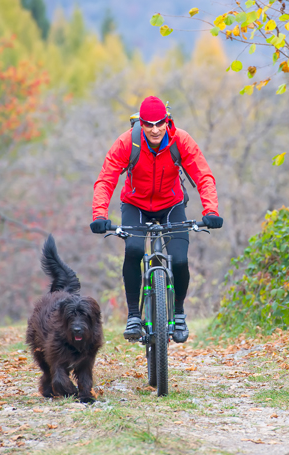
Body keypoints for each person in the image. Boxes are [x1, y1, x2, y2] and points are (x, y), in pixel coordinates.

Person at [90, 96, 222, 343]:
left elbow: (203, 175)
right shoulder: (127, 143)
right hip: (135, 205)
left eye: (159, 123)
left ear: (167, 121)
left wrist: (211, 211)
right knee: (134, 250)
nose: (154, 129)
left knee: (180, 259)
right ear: (141, 123)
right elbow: (106, 179)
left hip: (171, 204)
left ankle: (179, 313)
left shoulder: (180, 140)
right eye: (148, 124)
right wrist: (100, 215)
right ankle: (133, 316)